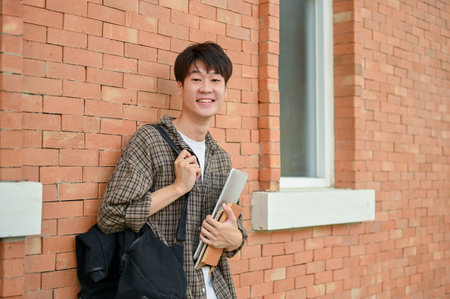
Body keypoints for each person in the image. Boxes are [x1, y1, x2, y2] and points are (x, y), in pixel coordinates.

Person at [97, 42, 247, 299]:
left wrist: (231, 238)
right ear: (180, 86)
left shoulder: (221, 158)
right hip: (163, 289)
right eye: (196, 79)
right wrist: (178, 188)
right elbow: (110, 216)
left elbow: (236, 238)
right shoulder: (150, 141)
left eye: (215, 80)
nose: (206, 89)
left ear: (225, 88)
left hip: (217, 291)